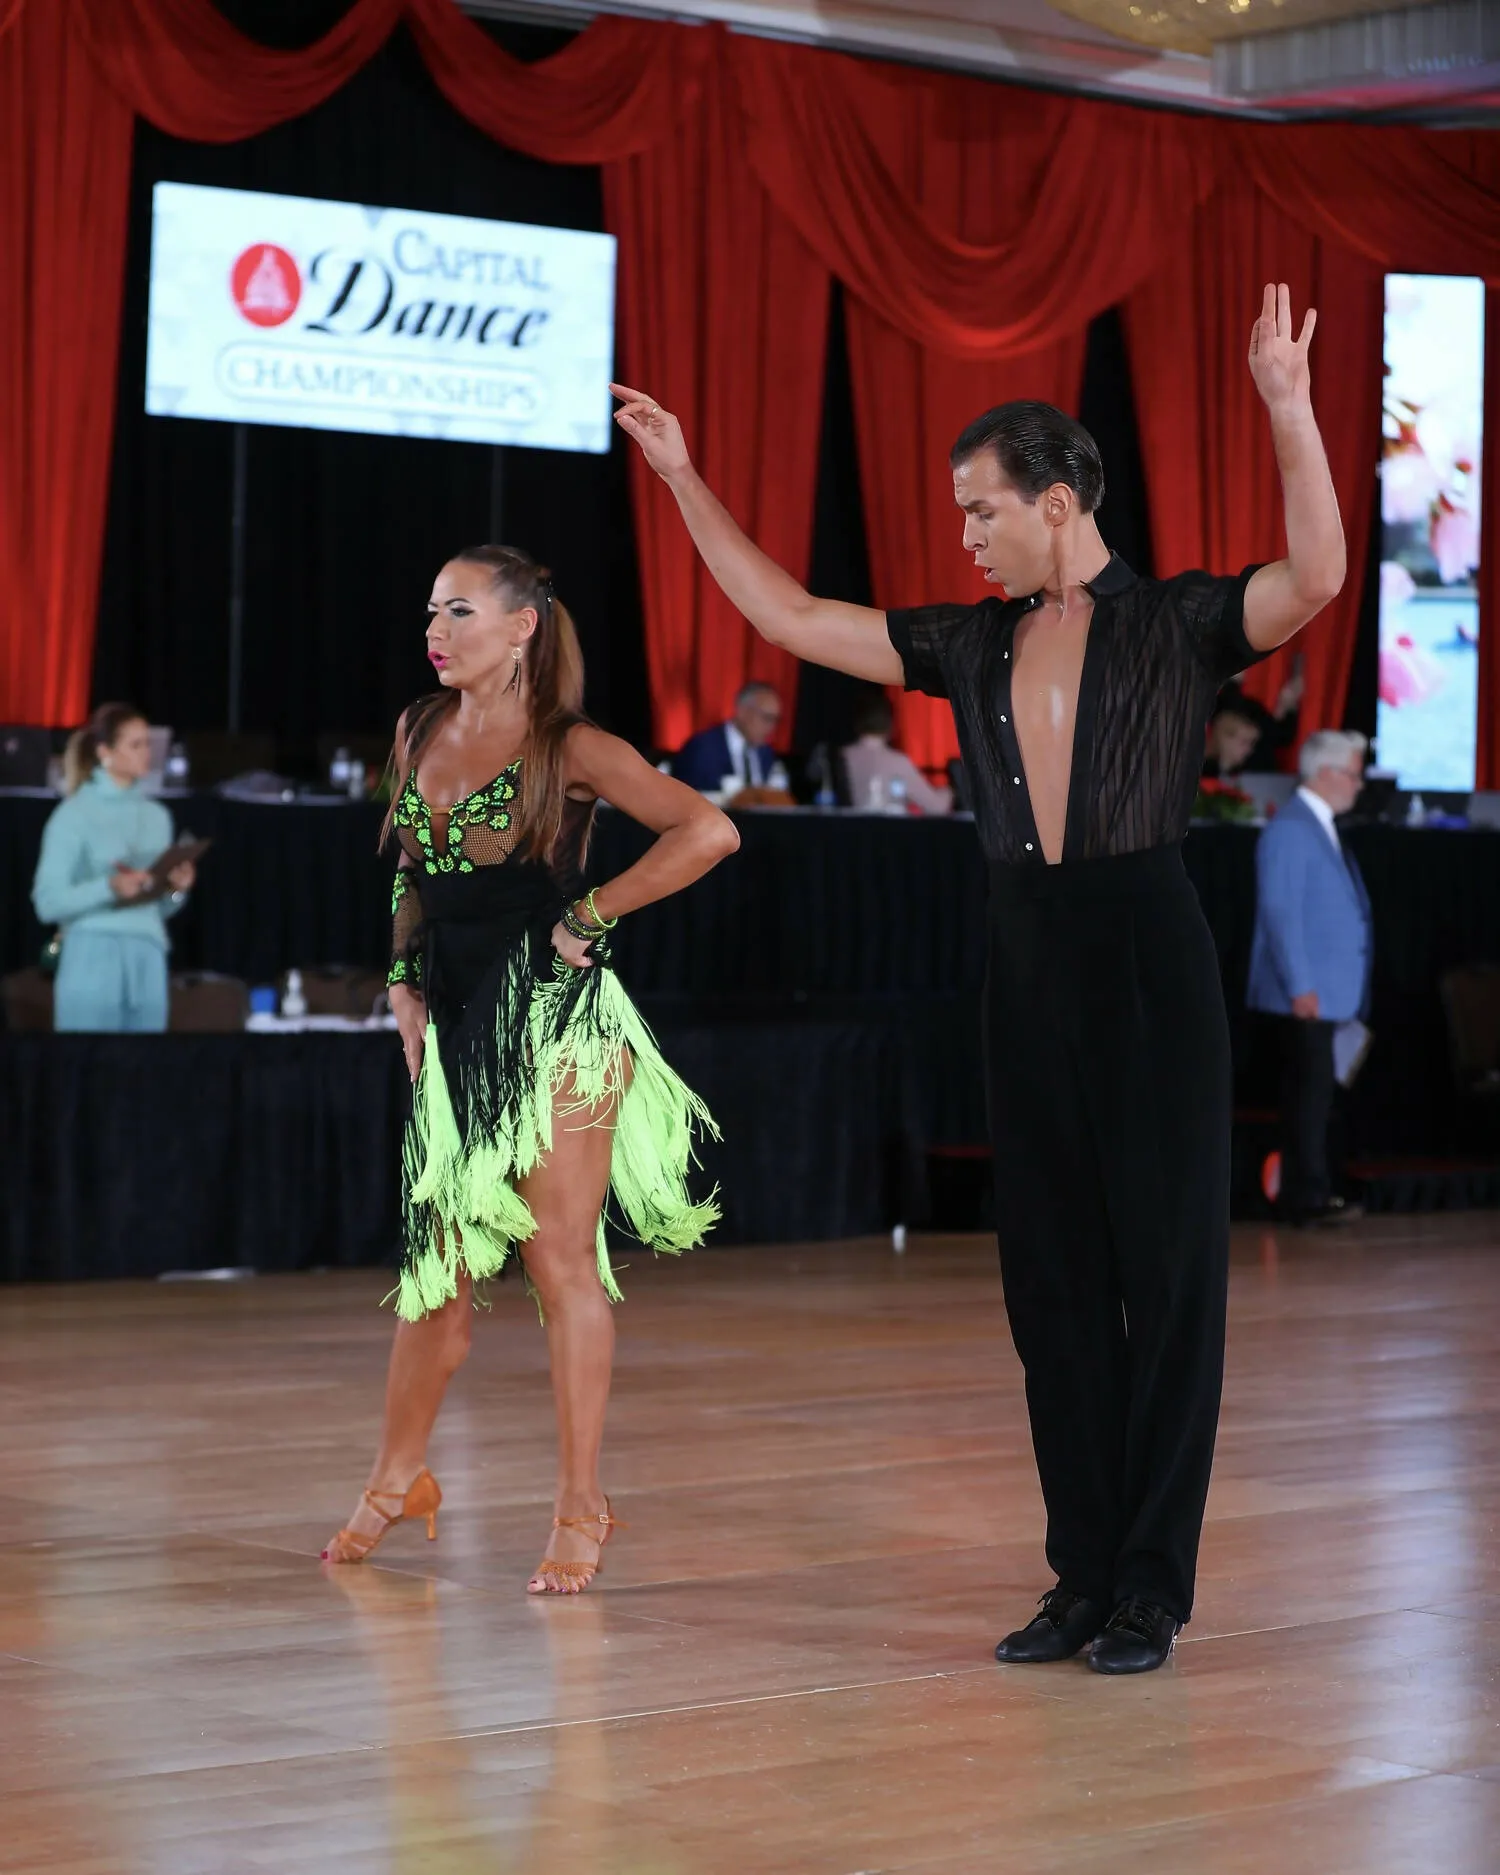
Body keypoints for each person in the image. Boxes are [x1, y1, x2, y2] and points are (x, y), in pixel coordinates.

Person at [612, 282, 1346, 1674]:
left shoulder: (1179, 623)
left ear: (1060, 498)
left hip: (1147, 955)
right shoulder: (973, 638)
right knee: (1051, 1281)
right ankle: (1079, 1573)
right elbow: (787, 609)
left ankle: (1150, 1587)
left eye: (982, 510)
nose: (966, 536)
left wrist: (1289, 409)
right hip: (1022, 955)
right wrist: (685, 476)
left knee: (1170, 1274)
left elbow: (1314, 576)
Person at [322, 546, 738, 1592]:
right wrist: (402, 981)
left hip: (556, 1023)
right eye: (431, 610)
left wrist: (592, 915)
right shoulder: (420, 726)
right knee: (440, 1283)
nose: (437, 628)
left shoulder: (573, 745)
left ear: (521, 628)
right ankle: (396, 1475)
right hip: (454, 1027)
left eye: (460, 610)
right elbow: (412, 869)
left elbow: (709, 830)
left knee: (559, 1263)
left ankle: (582, 1504)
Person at [1247, 729, 1372, 1227]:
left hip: (1328, 993)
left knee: (1318, 1100)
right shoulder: (1293, 829)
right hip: (1307, 994)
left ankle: (1315, 1188)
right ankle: (1305, 1196)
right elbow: (1281, 914)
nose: (1359, 786)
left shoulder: (1316, 827)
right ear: (1326, 773)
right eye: (1354, 775)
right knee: (1305, 1100)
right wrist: (1300, 985)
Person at [31, 703, 196, 1032]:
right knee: (88, 1071)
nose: (146, 752)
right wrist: (108, 887)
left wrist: (176, 889)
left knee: (145, 1072)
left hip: (147, 956)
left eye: (148, 743)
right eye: (135, 745)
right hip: (91, 955)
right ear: (105, 752)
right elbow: (47, 902)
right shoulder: (74, 814)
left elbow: (155, 907)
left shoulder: (157, 816)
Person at [842, 691, 953, 815]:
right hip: (889, 832)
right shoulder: (898, 762)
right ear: (891, 724)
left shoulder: (841, 757)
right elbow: (937, 807)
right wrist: (950, 791)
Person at [672, 681, 788, 792]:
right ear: (742, 711)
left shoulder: (766, 754)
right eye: (767, 718)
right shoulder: (703, 748)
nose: (772, 727)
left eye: (776, 720)